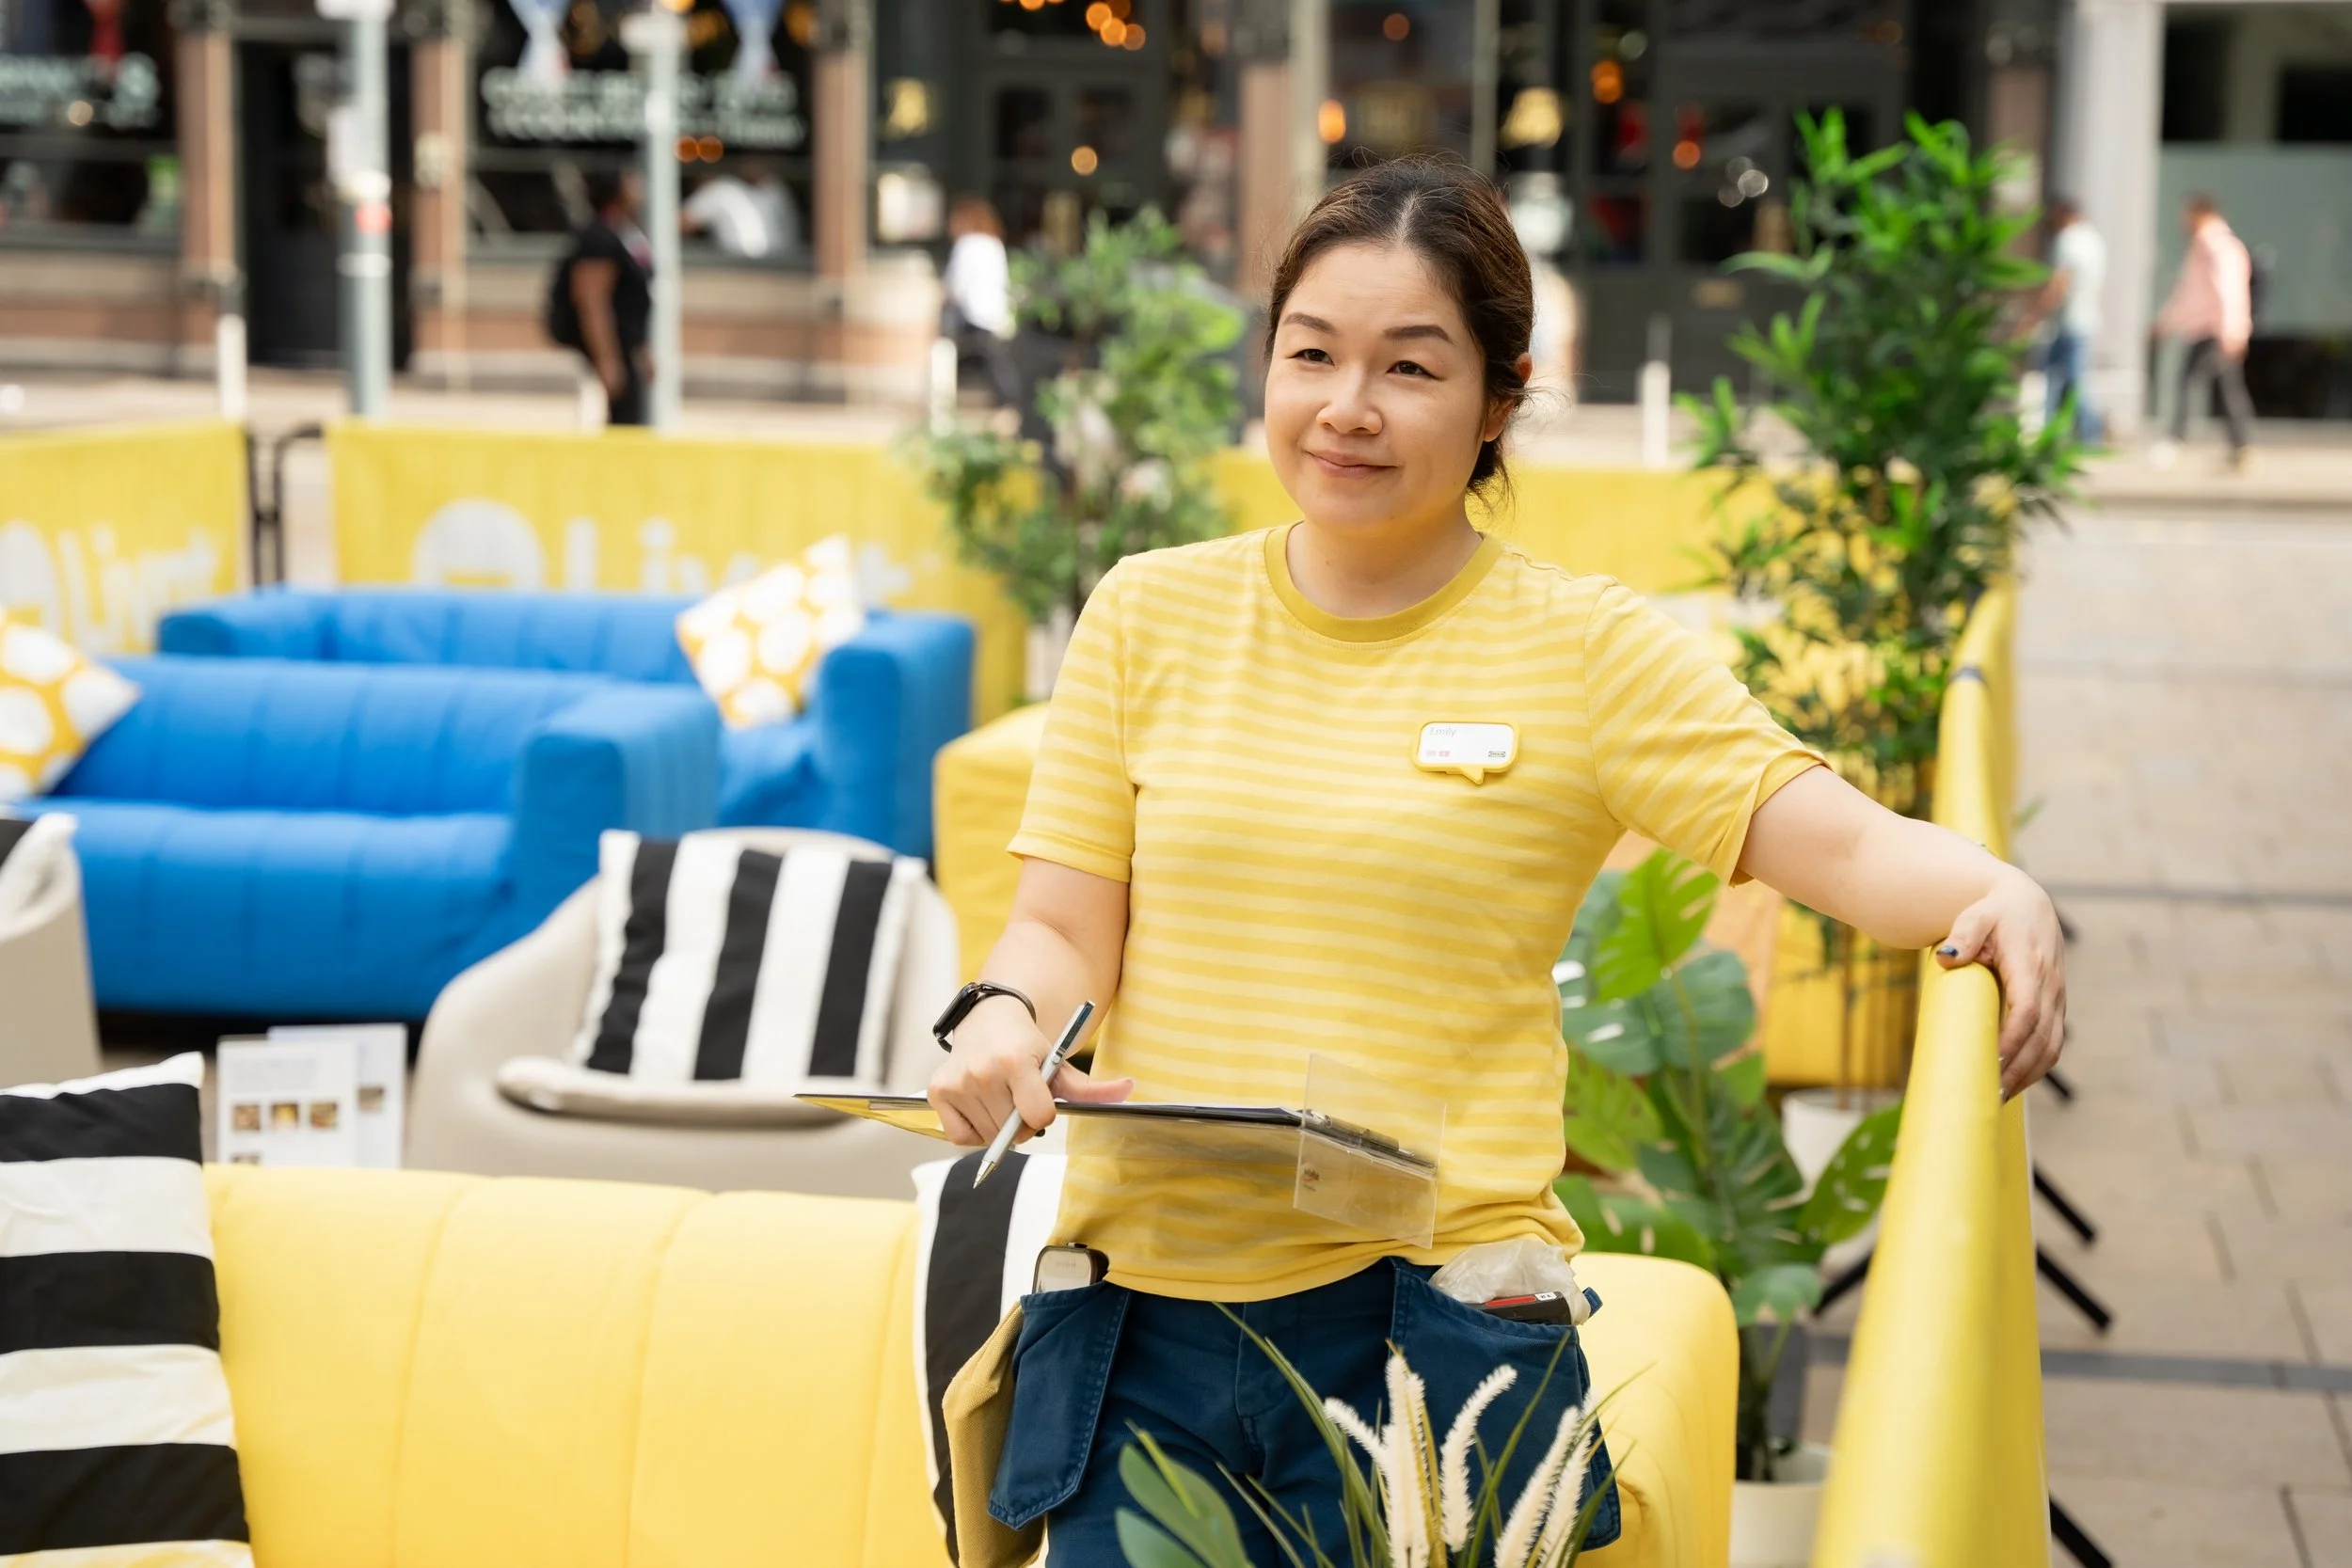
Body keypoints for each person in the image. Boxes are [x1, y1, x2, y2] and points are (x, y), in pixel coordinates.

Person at [928, 156, 2068, 1560]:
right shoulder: (1147, 613)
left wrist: (1991, 889)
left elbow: (1819, 829)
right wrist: (1003, 1017)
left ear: (1500, 400)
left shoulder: (1583, 645)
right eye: (1312, 354)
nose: (1348, 406)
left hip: (1438, 1329)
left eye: (1410, 366)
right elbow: (1059, 925)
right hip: (1144, 1319)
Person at [2154, 190, 2255, 469]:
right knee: (2224, 388)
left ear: (2200, 213)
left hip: (2213, 330)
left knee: (2192, 383)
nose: (2182, 221)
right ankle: (2239, 446)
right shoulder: (2209, 244)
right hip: (2211, 329)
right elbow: (2190, 293)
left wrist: (2232, 331)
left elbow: (2227, 290)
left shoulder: (2214, 245)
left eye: (2186, 215)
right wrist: (2167, 322)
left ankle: (2178, 439)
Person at [559, 168, 653, 427]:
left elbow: (635, 300)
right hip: (607, 352)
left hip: (627, 350)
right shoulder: (598, 239)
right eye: (631, 183)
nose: (639, 189)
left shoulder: (627, 234)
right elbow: (592, 301)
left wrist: (643, 350)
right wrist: (607, 360)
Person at [2037, 196, 2106, 442]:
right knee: (2075, 379)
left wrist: (2036, 314)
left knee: (2059, 379)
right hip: (2087, 319)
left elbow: (2059, 283)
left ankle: (2061, 434)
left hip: (2067, 322)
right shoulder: (2094, 239)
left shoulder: (2067, 240)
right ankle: (2085, 434)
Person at [942, 195, 1018, 407]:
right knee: (993, 359)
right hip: (997, 312)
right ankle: (1007, 402)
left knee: (975, 360)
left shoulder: (966, 245)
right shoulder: (994, 244)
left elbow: (956, 286)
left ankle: (1007, 402)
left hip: (974, 314)